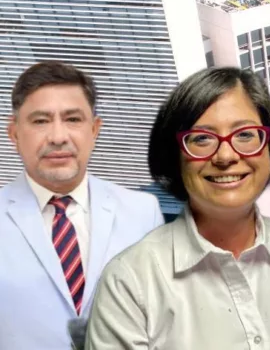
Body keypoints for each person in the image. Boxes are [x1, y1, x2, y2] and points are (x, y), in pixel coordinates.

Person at [85, 67, 270, 349]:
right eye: (201, 138)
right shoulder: (129, 281)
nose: (226, 156)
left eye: (245, 135)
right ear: (175, 158)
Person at [0, 61, 164, 350]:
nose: (58, 137)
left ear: (94, 129)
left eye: (73, 119)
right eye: (40, 121)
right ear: (14, 133)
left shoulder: (143, 212)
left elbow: (163, 318)